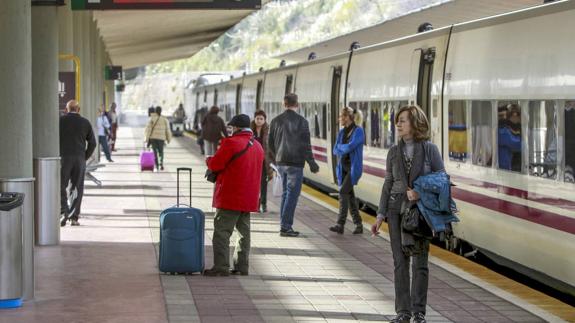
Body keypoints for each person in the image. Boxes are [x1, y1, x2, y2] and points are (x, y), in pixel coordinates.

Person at [371, 105, 445, 323]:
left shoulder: (430, 150)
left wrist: (420, 192)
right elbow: (388, 183)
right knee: (399, 262)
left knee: (420, 263)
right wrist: (379, 215)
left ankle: (418, 313)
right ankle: (403, 312)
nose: (399, 124)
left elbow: (442, 180)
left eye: (403, 120)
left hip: (420, 213)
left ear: (415, 123)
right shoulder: (393, 152)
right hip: (396, 210)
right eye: (398, 121)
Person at [204, 114, 264, 276]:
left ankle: (221, 267)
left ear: (236, 128)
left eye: (232, 128)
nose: (230, 130)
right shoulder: (257, 146)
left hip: (230, 196)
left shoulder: (231, 143)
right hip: (249, 197)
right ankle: (242, 266)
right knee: (244, 233)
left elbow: (216, 164)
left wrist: (208, 160)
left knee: (222, 232)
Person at [268, 93, 320, 237]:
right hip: (295, 164)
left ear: (283, 104)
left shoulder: (275, 121)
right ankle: (285, 227)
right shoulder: (302, 121)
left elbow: (270, 143)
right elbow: (306, 146)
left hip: (281, 163)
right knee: (292, 195)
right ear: (297, 105)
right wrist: (312, 163)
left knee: (286, 193)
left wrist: (277, 156)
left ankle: (284, 224)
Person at [59, 100, 97, 227]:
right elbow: (93, 143)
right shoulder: (85, 122)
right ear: (79, 109)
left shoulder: (60, 121)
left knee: (61, 185)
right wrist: (84, 156)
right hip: (79, 159)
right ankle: (74, 217)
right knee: (77, 187)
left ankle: (64, 211)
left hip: (63, 158)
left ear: (66, 109)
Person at [329, 107, 365, 235]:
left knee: (343, 192)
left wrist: (341, 148)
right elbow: (334, 150)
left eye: (341, 116)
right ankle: (358, 225)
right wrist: (343, 148)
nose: (340, 119)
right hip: (342, 168)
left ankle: (340, 224)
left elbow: (351, 146)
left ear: (348, 117)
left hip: (353, 169)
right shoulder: (342, 132)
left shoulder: (358, 131)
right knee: (350, 197)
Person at [250, 110, 273, 213]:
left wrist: (273, 163)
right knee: (253, 184)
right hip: (252, 161)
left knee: (264, 184)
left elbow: (272, 148)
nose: (259, 121)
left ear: (264, 120)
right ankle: (255, 204)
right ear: (254, 119)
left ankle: (263, 204)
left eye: (261, 119)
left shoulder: (268, 131)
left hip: (264, 162)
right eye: (257, 118)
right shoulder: (250, 131)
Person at [145, 106, 172, 171]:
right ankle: (161, 164)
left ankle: (157, 165)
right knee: (161, 151)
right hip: (161, 139)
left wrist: (147, 139)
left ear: (155, 111)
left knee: (155, 152)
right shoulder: (165, 119)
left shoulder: (152, 119)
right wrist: (168, 139)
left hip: (153, 138)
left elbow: (148, 130)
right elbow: (168, 130)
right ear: (161, 111)